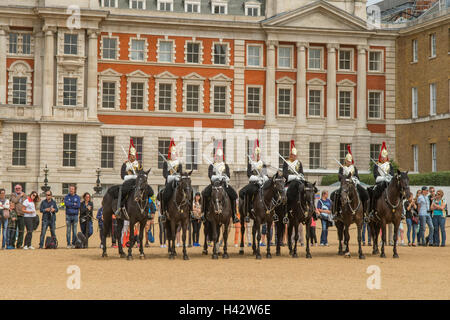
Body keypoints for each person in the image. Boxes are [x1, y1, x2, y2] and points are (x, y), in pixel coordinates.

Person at [202, 140, 239, 224]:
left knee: (234, 195)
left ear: (222, 157)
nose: (218, 158)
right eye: (217, 156)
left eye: (220, 156)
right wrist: (217, 177)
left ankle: (234, 215)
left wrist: (224, 177)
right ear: (215, 157)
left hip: (224, 185)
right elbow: (210, 176)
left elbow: (228, 176)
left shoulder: (225, 166)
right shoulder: (212, 165)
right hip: (214, 185)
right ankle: (204, 213)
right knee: (204, 193)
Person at [333, 145, 370, 222]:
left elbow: (357, 176)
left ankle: (365, 213)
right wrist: (345, 177)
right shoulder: (342, 167)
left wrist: (354, 178)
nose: (349, 162)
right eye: (348, 161)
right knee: (337, 194)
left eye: (350, 161)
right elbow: (339, 176)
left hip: (354, 184)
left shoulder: (354, 168)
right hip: (345, 185)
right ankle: (336, 212)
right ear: (345, 160)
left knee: (365, 194)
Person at [239, 139, 269, 223]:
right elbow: (249, 174)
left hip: (262, 184)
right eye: (256, 154)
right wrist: (257, 178)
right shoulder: (250, 163)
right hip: (254, 184)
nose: (258, 156)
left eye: (259, 155)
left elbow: (266, 175)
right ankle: (248, 212)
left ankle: (272, 213)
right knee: (248, 193)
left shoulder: (263, 164)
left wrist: (264, 178)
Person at [115, 139, 143, 219]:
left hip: (137, 183)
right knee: (122, 192)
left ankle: (147, 210)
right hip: (128, 183)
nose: (132, 157)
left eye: (134, 155)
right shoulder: (125, 164)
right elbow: (122, 176)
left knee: (147, 191)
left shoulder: (139, 165)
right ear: (129, 155)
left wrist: (137, 176)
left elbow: (141, 175)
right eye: (131, 155)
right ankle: (119, 208)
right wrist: (131, 176)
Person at [160, 138, 182, 223]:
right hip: (169, 183)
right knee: (164, 194)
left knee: (187, 192)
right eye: (172, 154)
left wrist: (178, 176)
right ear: (170, 154)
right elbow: (164, 174)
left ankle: (189, 212)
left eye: (174, 154)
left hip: (177, 182)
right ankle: (164, 212)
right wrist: (171, 177)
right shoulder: (166, 163)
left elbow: (180, 173)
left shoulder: (179, 163)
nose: (173, 155)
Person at [369, 142, 394, 217]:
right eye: (382, 157)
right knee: (373, 193)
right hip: (379, 183)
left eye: (385, 157)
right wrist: (383, 178)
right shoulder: (377, 165)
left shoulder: (390, 165)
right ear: (380, 157)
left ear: (387, 157)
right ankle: (372, 211)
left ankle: (401, 211)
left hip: (388, 183)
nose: (383, 158)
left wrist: (389, 177)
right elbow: (376, 176)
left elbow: (392, 174)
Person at [9, 184, 26, 248]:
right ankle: (12, 244)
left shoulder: (25, 195)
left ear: (21, 189)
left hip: (22, 215)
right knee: (13, 230)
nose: (18, 189)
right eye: (16, 188)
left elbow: (26, 203)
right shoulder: (13, 195)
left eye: (19, 188)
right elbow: (14, 200)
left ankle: (19, 244)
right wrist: (20, 195)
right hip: (15, 215)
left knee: (21, 231)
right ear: (15, 189)